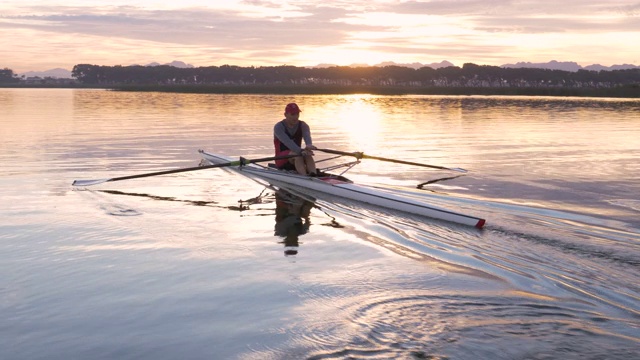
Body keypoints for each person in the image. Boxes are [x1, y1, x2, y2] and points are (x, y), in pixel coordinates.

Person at [273, 102, 318, 176]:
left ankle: (313, 175)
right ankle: (305, 178)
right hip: (281, 158)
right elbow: (288, 142)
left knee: (308, 154)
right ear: (285, 115)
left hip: (296, 155)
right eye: (292, 114)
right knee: (297, 155)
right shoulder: (278, 127)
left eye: (297, 114)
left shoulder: (303, 125)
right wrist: (300, 151)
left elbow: (307, 136)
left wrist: (309, 146)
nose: (296, 117)